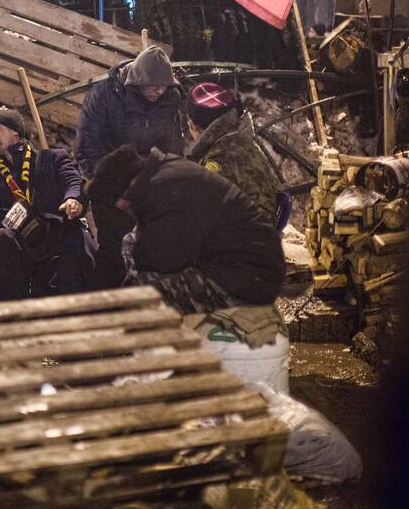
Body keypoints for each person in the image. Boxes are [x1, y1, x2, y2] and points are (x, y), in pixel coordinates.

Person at [85, 145, 283, 316]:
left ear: (124, 190)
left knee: (143, 293)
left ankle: (139, 356)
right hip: (235, 265)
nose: (121, 209)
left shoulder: (167, 186)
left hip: (249, 278)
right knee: (132, 252)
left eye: (117, 203)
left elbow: (160, 261)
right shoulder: (166, 173)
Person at [74, 45, 185, 287]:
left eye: (165, 85)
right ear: (137, 80)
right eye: (154, 84)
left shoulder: (170, 98)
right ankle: (109, 310)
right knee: (114, 254)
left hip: (149, 188)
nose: (159, 90)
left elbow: (173, 146)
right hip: (112, 187)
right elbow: (87, 148)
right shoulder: (103, 95)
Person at [0, 109, 95, 301]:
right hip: (18, 238)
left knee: (76, 236)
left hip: (53, 232)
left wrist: (72, 199)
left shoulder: (52, 158)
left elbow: (73, 182)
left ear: (15, 132)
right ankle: (15, 310)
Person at [186, 82, 283, 223]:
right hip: (261, 229)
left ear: (192, 125)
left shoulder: (219, 161)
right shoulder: (238, 140)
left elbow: (198, 213)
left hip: (247, 238)